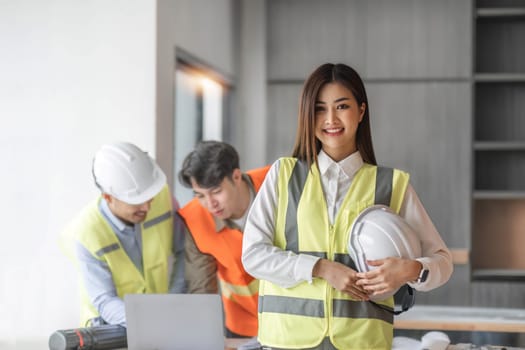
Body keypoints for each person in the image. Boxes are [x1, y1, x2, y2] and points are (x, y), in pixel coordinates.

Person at [241, 63, 453, 349]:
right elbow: (253, 255)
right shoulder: (283, 175)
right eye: (319, 108)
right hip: (287, 341)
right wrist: (321, 268)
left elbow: (442, 262)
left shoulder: (391, 185)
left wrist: (409, 270)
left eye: (342, 106)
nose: (330, 119)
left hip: (363, 343)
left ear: (361, 111)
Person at [61, 141, 186, 327]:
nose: (147, 207)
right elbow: (104, 300)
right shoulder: (87, 232)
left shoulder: (161, 198)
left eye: (148, 197)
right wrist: (147, 323)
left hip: (157, 326)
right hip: (108, 330)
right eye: (136, 201)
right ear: (108, 197)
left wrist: (174, 305)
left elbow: (184, 252)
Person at [177, 140, 270, 338]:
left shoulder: (276, 183)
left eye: (216, 191)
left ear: (236, 176)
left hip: (294, 320)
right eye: (200, 195)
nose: (210, 204)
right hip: (242, 328)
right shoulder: (194, 219)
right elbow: (201, 290)